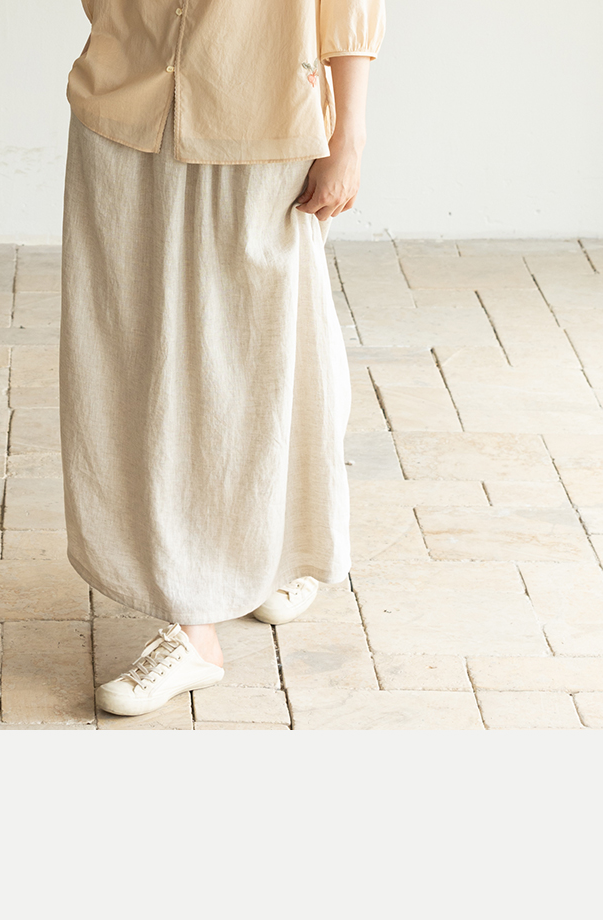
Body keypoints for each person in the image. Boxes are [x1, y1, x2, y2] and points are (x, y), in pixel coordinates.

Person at [59, 0, 386, 717]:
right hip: (126, 106)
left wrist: (349, 136)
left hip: (264, 112)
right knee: (131, 361)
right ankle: (194, 621)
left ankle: (283, 547)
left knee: (270, 350)